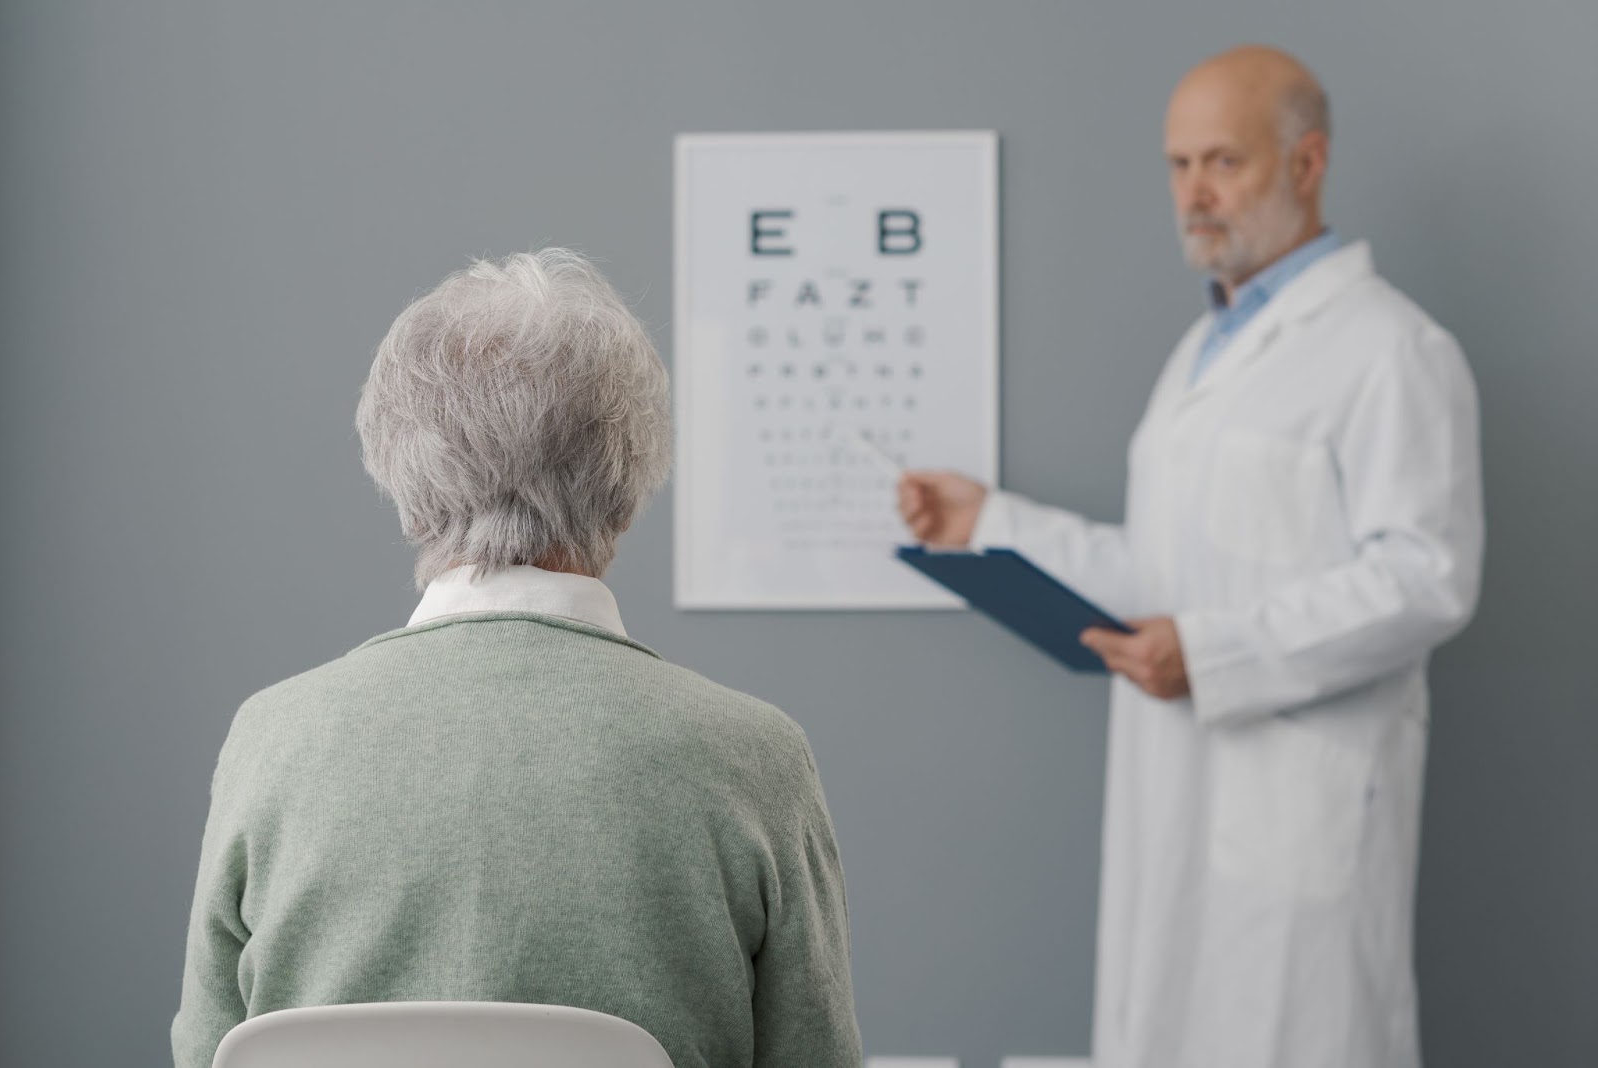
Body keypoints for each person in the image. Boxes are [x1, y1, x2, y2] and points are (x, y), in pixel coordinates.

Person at [899, 46, 1483, 1068]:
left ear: (1307, 163)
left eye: (1223, 161)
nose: (1193, 193)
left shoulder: (1390, 350)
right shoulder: (1199, 357)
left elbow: (1425, 576)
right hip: (1173, 811)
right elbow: (1163, 573)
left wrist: (1211, 653)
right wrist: (986, 523)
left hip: (1297, 825)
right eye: (1177, 165)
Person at [172, 249, 862, 1068]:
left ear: (402, 477)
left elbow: (208, 1050)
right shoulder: (754, 757)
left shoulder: (273, 739)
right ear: (627, 480)